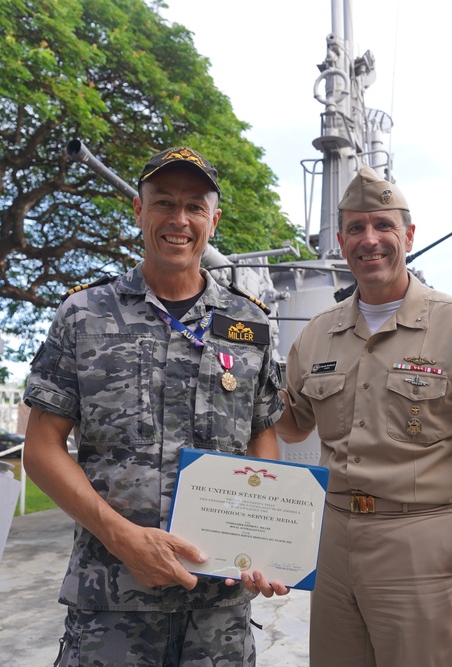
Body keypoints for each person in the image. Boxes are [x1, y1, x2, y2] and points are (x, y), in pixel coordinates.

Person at [23, 146, 288, 667]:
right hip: (112, 602)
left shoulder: (249, 323)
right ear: (139, 212)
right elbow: (41, 448)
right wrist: (122, 539)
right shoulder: (84, 314)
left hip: (219, 609)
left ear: (214, 219)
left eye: (194, 206)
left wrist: (263, 538)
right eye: (163, 203)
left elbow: (263, 433)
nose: (178, 220)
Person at [276, 166, 452, 667]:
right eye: (356, 228)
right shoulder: (318, 334)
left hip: (418, 540)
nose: (369, 239)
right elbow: (293, 424)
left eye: (382, 225)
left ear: (408, 235)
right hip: (331, 540)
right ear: (341, 239)